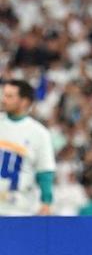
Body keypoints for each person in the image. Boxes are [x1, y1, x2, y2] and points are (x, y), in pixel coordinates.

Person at [0, 79, 55, 216]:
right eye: (4, 95)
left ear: (24, 101)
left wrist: (46, 201)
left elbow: (45, 171)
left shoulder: (39, 133)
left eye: (9, 96)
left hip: (18, 209)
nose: (4, 100)